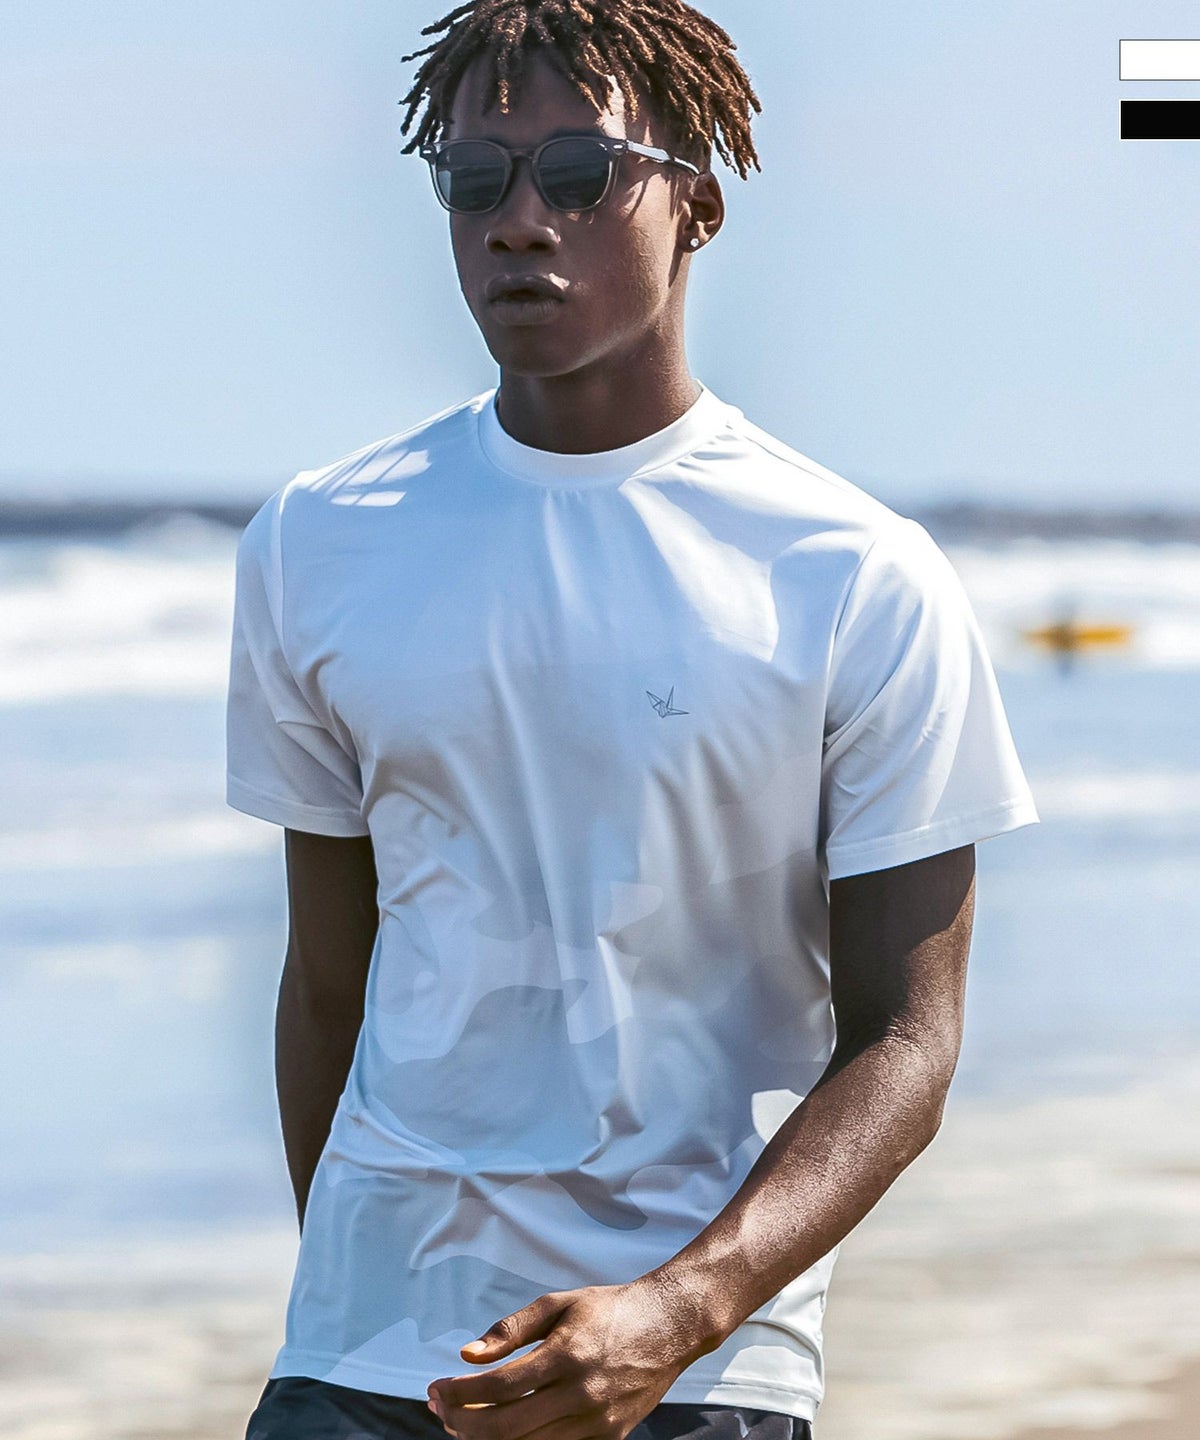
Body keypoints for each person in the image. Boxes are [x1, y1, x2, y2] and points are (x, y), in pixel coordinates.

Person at [224, 3, 1040, 1438]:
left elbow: (907, 1040)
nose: (518, 220)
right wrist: (350, 1300)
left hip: (696, 1370)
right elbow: (329, 984)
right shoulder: (319, 540)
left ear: (697, 207)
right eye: (475, 179)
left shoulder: (852, 572)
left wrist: (684, 1306)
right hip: (367, 1360)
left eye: (579, 173)